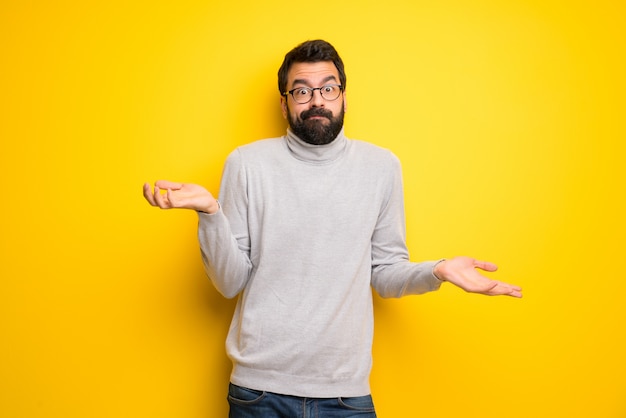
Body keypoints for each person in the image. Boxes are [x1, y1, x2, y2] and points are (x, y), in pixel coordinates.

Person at [143, 39, 522, 418]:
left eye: (328, 88)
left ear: (343, 95)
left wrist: (437, 270)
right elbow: (229, 282)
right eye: (302, 91)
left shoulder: (381, 167)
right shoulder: (246, 164)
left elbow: (385, 275)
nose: (316, 101)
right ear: (284, 102)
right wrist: (210, 213)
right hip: (259, 393)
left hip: (345, 396)